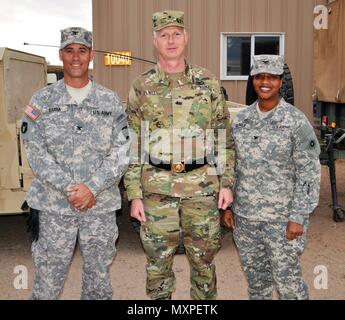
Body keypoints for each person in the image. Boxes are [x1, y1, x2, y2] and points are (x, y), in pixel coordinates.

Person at [124, 11, 235, 300]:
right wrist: (134, 194)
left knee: (204, 261)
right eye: (164, 34)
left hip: (202, 187)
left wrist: (226, 183)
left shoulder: (207, 82)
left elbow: (223, 135)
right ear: (154, 41)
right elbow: (133, 143)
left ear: (186, 38)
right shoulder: (141, 86)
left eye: (176, 33)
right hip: (156, 190)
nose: (170, 40)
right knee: (158, 264)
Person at [21, 27, 130, 300]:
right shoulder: (41, 101)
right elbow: (35, 151)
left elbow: (123, 149)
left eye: (82, 50)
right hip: (53, 206)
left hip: (99, 206)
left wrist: (91, 188)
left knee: (98, 283)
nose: (76, 57)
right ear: (61, 55)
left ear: (91, 55)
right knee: (47, 283)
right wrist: (72, 188)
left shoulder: (110, 101)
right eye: (69, 51)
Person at [223, 55, 321, 300]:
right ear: (253, 80)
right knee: (257, 285)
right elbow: (233, 165)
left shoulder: (296, 122)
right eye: (259, 77)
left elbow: (309, 173)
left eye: (272, 77)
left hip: (282, 220)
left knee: (289, 286)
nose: (264, 82)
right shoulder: (242, 121)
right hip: (246, 220)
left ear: (280, 81)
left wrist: (298, 216)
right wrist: (229, 207)